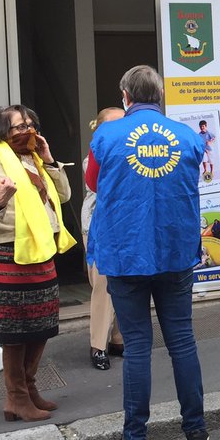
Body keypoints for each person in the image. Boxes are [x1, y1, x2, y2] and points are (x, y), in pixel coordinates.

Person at [85, 65, 209, 440]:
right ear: (160, 94)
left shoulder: (106, 135)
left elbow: (92, 183)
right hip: (175, 249)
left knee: (137, 346)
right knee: (182, 341)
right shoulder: (188, 135)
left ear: (125, 96)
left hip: (126, 251)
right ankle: (196, 431)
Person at [0, 105, 76, 422]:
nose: (27, 131)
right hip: (11, 255)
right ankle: (15, 397)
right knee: (15, 331)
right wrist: (0, 200)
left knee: (42, 326)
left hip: (42, 251)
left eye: (31, 125)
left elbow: (65, 196)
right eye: (19, 127)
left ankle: (29, 389)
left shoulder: (34, 161)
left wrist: (50, 160)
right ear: (2, 132)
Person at [82, 106, 125, 371]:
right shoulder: (95, 156)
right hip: (100, 230)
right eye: (114, 125)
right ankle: (98, 344)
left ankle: (119, 338)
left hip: (124, 227)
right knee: (103, 286)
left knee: (125, 283)